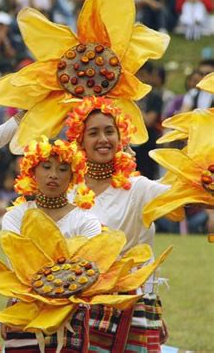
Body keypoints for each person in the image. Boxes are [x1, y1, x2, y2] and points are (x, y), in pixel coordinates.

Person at [65, 96, 170, 352]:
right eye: (93, 132)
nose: (103, 139)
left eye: (109, 131)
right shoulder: (68, 192)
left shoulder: (138, 188)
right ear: (80, 140)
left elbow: (185, 196)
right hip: (78, 306)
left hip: (131, 306)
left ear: (121, 137)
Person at [0, 137, 101, 352]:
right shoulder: (17, 216)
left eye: (63, 169)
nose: (53, 174)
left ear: (73, 175)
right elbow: (18, 264)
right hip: (24, 310)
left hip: (71, 314)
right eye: (46, 167)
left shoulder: (86, 220)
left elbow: (85, 271)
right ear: (32, 171)